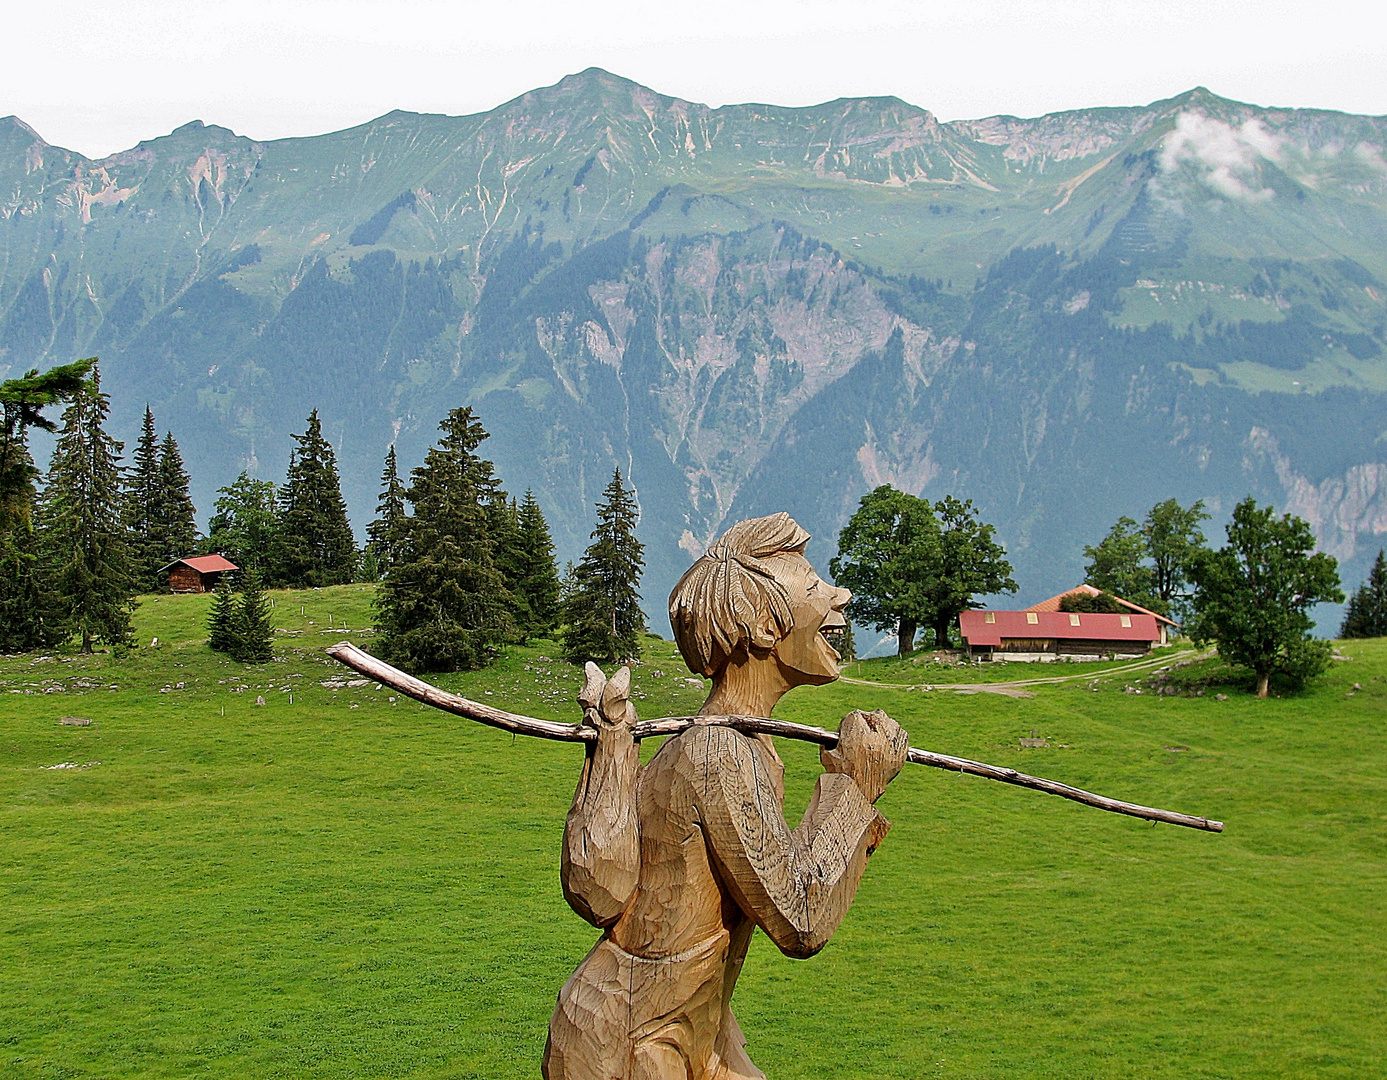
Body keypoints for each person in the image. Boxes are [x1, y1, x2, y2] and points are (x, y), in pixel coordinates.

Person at [542, 513, 909, 1080]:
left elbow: (783, 880)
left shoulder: (746, 748)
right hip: (630, 1032)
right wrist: (854, 790)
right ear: (764, 626)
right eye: (814, 588)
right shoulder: (719, 756)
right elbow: (800, 918)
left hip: (691, 1020)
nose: (840, 596)